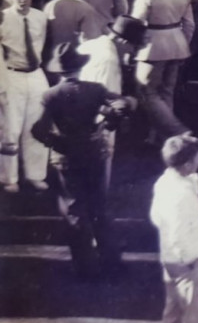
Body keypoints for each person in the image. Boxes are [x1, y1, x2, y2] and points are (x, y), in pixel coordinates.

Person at [32, 42, 135, 278]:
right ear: (80, 67)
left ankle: (85, 268)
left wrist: (57, 143)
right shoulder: (96, 89)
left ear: (59, 71)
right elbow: (123, 105)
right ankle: (111, 263)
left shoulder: (51, 95)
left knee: (74, 209)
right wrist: (108, 124)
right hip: (93, 150)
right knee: (99, 207)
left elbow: (38, 130)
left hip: (67, 157)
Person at [149, 133, 198, 323]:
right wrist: (190, 259)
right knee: (197, 322)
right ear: (187, 164)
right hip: (185, 263)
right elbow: (178, 233)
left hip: (169, 259)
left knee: (174, 316)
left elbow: (157, 217)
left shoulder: (165, 183)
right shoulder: (181, 194)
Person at [131, 0, 195, 141]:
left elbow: (137, 22)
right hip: (177, 44)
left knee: (146, 91)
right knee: (167, 91)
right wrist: (184, 45)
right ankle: (159, 135)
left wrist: (134, 46)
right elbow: (190, 24)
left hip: (153, 46)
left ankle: (175, 130)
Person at [78, 15, 147, 186]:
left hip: (74, 114)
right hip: (95, 126)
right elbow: (106, 102)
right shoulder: (108, 62)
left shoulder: (95, 43)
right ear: (123, 42)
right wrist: (130, 102)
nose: (134, 52)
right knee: (98, 175)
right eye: (134, 47)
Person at [0, 0, 49, 192]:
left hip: (36, 74)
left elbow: (41, 45)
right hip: (12, 75)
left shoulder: (40, 17)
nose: (22, 0)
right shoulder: (3, 19)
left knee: (37, 125)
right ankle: (9, 177)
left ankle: (35, 174)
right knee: (11, 128)